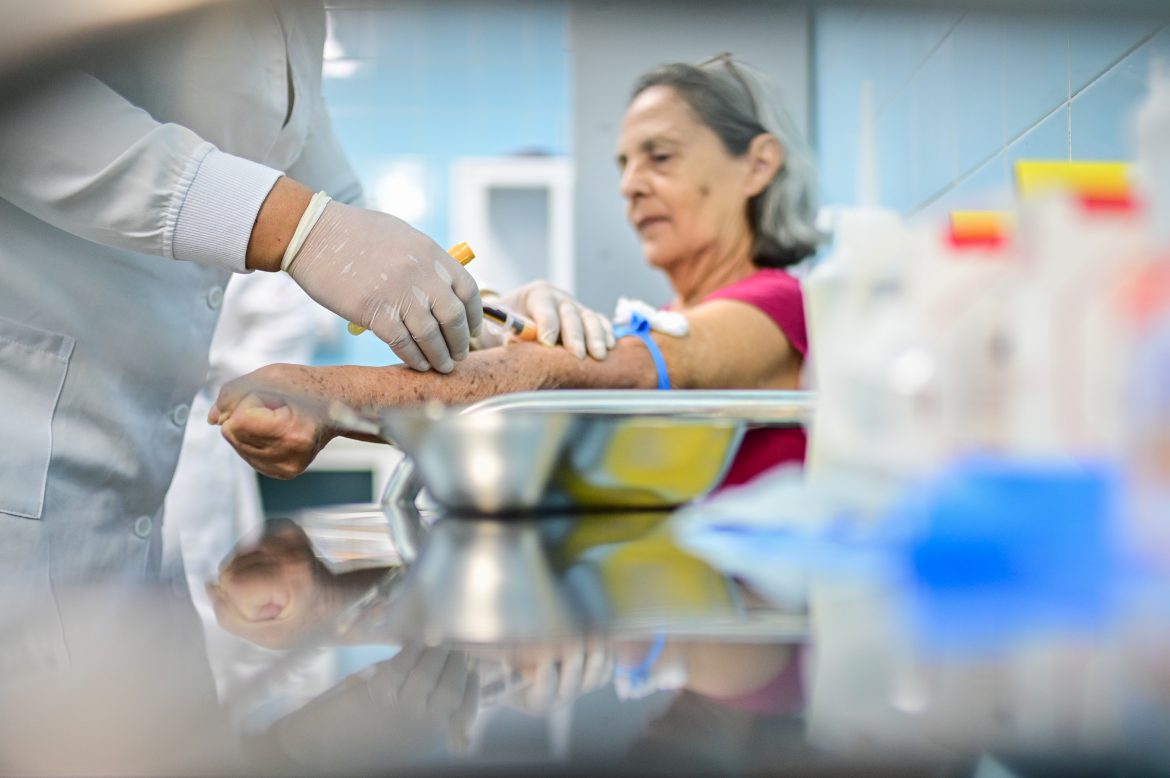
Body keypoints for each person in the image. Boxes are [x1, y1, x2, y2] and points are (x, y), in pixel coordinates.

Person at [211, 54, 821, 488]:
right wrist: (503, 322)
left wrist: (327, 395)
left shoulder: (779, 304)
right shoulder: (674, 318)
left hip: (751, 622)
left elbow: (573, 376)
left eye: (660, 157)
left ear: (757, 165)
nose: (631, 185)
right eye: (624, 165)